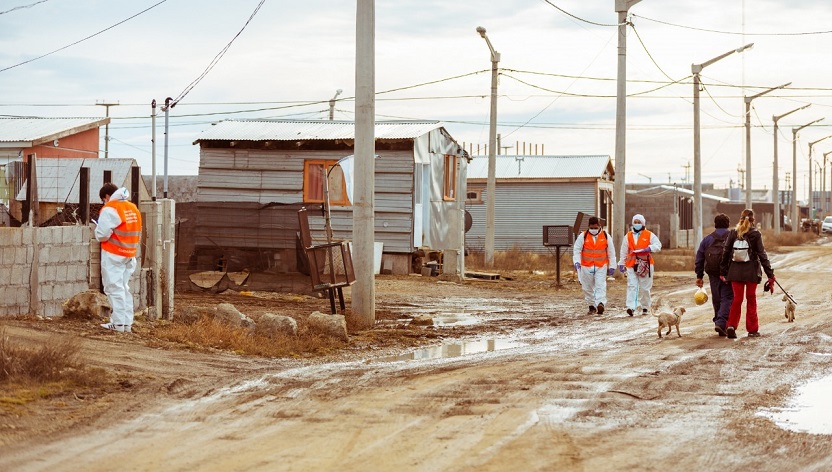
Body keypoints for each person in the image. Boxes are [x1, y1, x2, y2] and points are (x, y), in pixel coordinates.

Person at [719, 209, 774, 339]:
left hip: (735, 272)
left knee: (737, 300)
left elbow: (726, 253)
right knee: (751, 298)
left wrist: (723, 272)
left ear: (740, 218)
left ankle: (731, 325)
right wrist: (770, 274)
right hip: (751, 272)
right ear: (753, 220)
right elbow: (762, 255)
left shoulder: (733, 233)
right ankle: (752, 329)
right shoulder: (755, 234)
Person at [94, 183, 142, 333]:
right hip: (129, 253)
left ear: (107, 196)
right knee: (124, 289)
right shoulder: (132, 207)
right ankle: (127, 323)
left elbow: (102, 235)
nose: (104, 202)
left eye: (103, 200)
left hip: (114, 253)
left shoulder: (110, 208)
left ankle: (118, 323)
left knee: (114, 289)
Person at [694, 213, 734, 336]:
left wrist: (699, 276)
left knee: (716, 298)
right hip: (729, 273)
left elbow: (699, 258)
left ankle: (718, 320)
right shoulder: (733, 238)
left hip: (713, 274)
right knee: (727, 297)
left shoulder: (707, 239)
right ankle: (721, 322)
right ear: (728, 224)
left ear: (715, 224)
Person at [618, 214, 662, 316]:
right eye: (635, 222)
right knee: (632, 285)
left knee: (645, 287)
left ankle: (645, 307)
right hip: (631, 264)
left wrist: (649, 248)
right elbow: (623, 250)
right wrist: (621, 262)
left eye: (639, 222)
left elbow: (658, 245)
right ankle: (631, 307)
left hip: (645, 265)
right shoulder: (628, 236)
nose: (637, 224)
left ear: (643, 223)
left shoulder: (649, 234)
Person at [573, 216, 617, 314]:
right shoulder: (583, 236)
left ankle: (600, 303)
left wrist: (612, 266)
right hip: (586, 266)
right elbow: (577, 250)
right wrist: (576, 262)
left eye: (595, 228)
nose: (593, 230)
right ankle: (591, 305)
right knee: (587, 287)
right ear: (588, 226)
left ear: (599, 226)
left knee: (600, 285)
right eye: (591, 228)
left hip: (601, 266)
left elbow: (611, 252)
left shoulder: (606, 236)